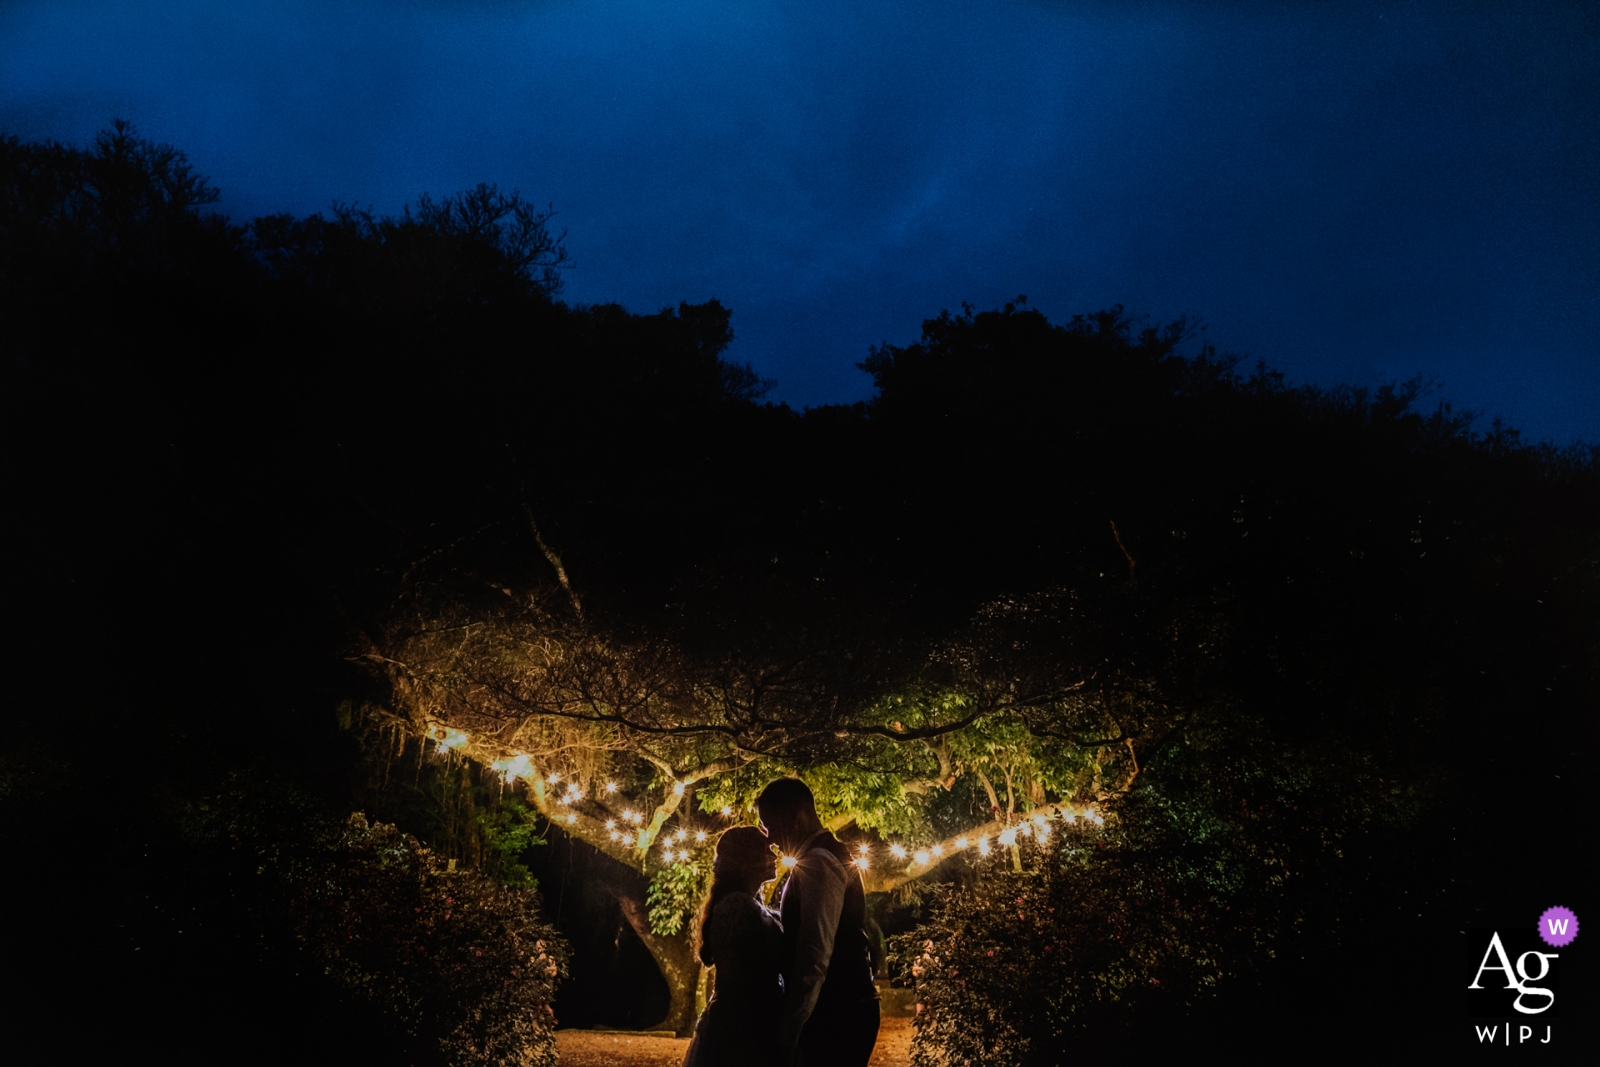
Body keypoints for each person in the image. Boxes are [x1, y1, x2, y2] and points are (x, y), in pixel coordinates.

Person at [756, 777, 880, 1067]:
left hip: (837, 1012)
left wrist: (790, 1030)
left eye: (771, 825)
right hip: (840, 1007)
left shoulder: (819, 861)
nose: (770, 839)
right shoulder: (820, 856)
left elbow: (814, 954)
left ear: (796, 815)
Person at [681, 827, 784, 1067]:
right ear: (745, 860)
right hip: (744, 1023)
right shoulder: (737, 906)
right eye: (765, 851)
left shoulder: (749, 903)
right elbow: (752, 969)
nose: (774, 856)